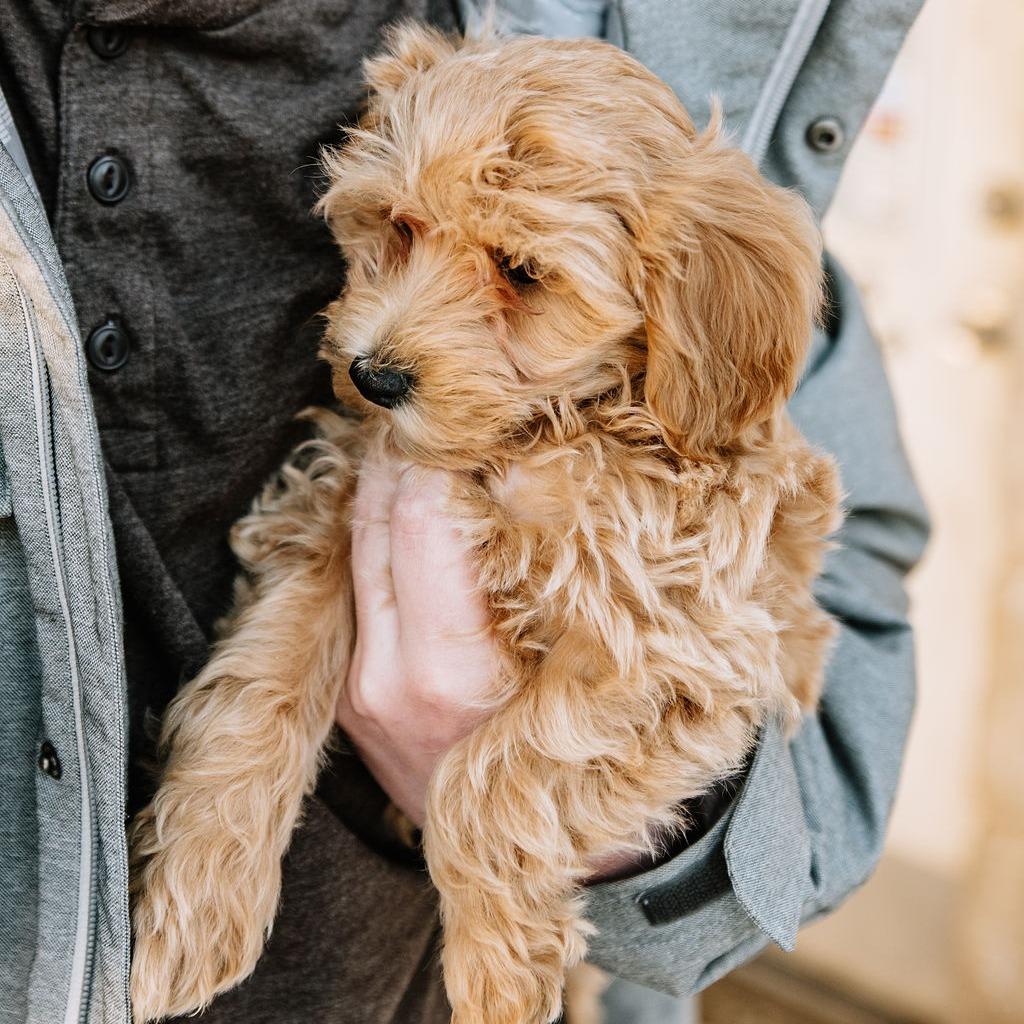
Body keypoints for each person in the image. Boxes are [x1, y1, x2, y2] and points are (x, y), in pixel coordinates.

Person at [0, 1, 928, 1022]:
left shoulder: (688, 420)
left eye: (520, 275)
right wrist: (228, 803)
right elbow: (320, 549)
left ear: (675, 303)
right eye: (395, 234)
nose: (383, 340)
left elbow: (726, 668)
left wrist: (507, 834)